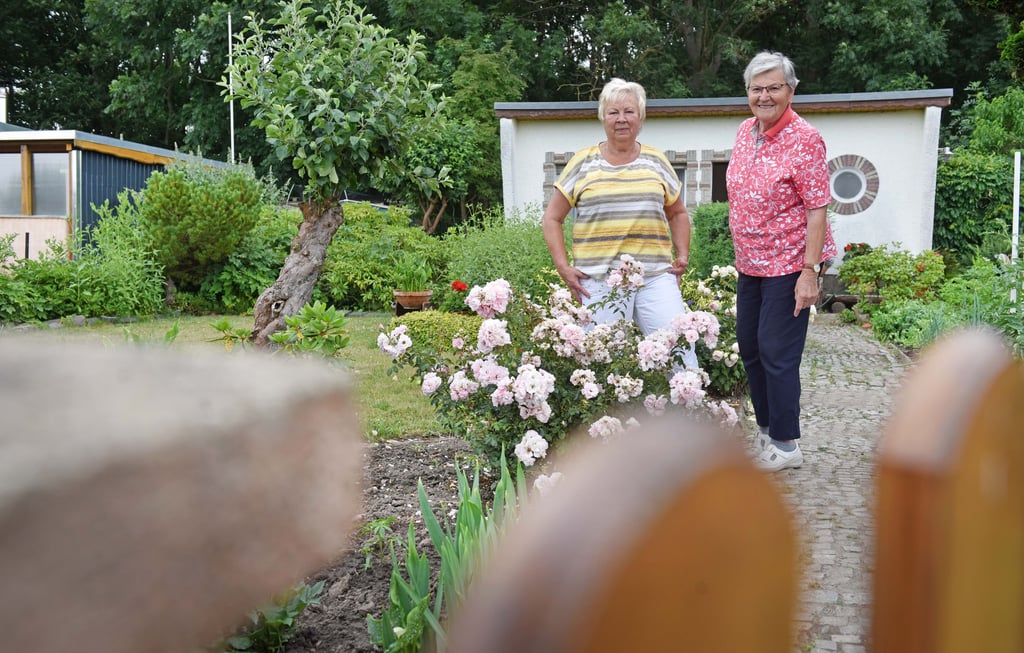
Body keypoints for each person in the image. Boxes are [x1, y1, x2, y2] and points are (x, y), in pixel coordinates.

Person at [725, 51, 837, 472]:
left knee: (777, 352)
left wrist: (810, 272)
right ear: (748, 93)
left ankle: (787, 443)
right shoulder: (743, 131)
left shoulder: (805, 138)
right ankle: (768, 430)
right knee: (751, 349)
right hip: (750, 263)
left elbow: (817, 209)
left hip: (790, 264)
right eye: (757, 88)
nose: (765, 95)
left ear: (791, 90)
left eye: (774, 87)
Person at [541, 77, 697, 368]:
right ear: (603, 117)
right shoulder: (582, 162)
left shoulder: (656, 161)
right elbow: (552, 218)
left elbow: (677, 213)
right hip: (598, 281)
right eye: (613, 112)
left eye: (629, 111)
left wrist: (683, 255)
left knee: (681, 354)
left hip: (654, 278)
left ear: (641, 117)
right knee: (599, 364)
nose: (621, 119)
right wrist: (563, 267)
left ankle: (688, 412)